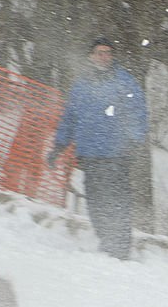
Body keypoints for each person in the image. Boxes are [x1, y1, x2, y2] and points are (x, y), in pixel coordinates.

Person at [47, 37, 148, 260]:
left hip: (116, 154)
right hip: (90, 155)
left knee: (117, 201)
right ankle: (106, 241)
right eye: (99, 53)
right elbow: (70, 118)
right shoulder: (81, 85)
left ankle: (120, 247)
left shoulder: (124, 82)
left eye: (108, 53)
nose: (104, 57)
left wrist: (134, 140)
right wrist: (59, 146)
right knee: (96, 202)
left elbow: (138, 113)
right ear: (91, 56)